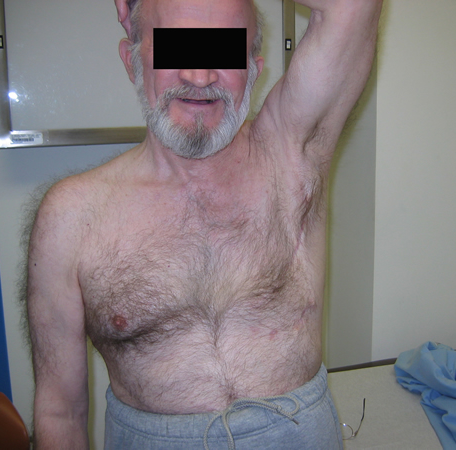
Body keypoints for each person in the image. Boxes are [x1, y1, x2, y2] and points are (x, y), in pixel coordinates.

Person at [26, 0, 382, 448]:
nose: (199, 76)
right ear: (132, 60)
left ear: (253, 68)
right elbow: (60, 412)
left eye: (223, 49)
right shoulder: (70, 217)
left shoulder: (293, 155)